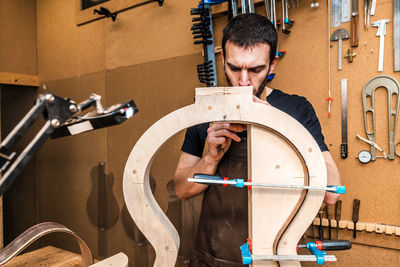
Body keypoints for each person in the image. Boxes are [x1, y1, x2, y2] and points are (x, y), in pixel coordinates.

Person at [174, 13, 341, 266]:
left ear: (272, 64)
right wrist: (210, 159)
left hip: (274, 258)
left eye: (255, 70)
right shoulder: (205, 112)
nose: (244, 81)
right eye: (234, 67)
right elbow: (181, 189)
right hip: (212, 257)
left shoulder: (296, 109)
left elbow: (331, 192)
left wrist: (275, 124)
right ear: (223, 59)